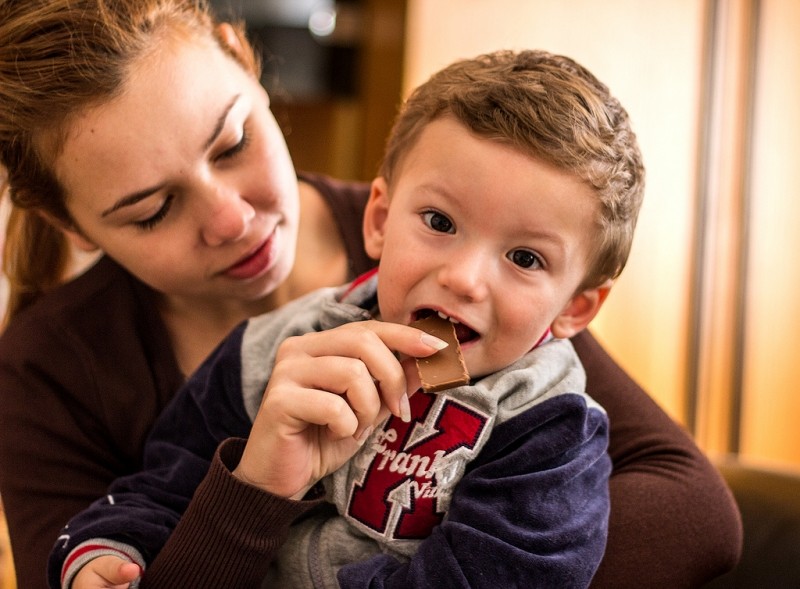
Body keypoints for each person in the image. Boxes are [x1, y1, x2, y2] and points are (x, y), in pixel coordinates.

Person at [0, 1, 741, 588]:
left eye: (232, 143)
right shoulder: (58, 369)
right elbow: (134, 512)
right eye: (152, 208)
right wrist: (252, 487)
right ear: (71, 224)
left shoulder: (481, 257)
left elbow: (696, 514)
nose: (234, 218)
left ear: (246, 63)